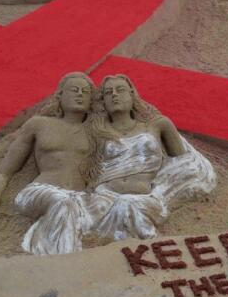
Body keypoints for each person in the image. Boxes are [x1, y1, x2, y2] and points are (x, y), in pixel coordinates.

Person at [0, 72, 97, 255]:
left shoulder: (97, 131)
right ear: (60, 95)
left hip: (78, 197)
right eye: (74, 90)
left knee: (70, 205)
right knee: (63, 203)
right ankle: (62, 261)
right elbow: (4, 171)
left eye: (85, 92)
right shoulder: (39, 124)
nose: (80, 94)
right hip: (40, 191)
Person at [85, 74, 216, 242]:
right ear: (103, 101)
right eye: (108, 93)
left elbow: (185, 161)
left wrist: (165, 188)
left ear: (132, 94)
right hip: (103, 198)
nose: (114, 95)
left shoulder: (158, 125)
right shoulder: (95, 132)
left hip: (145, 198)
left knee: (127, 204)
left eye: (120, 90)